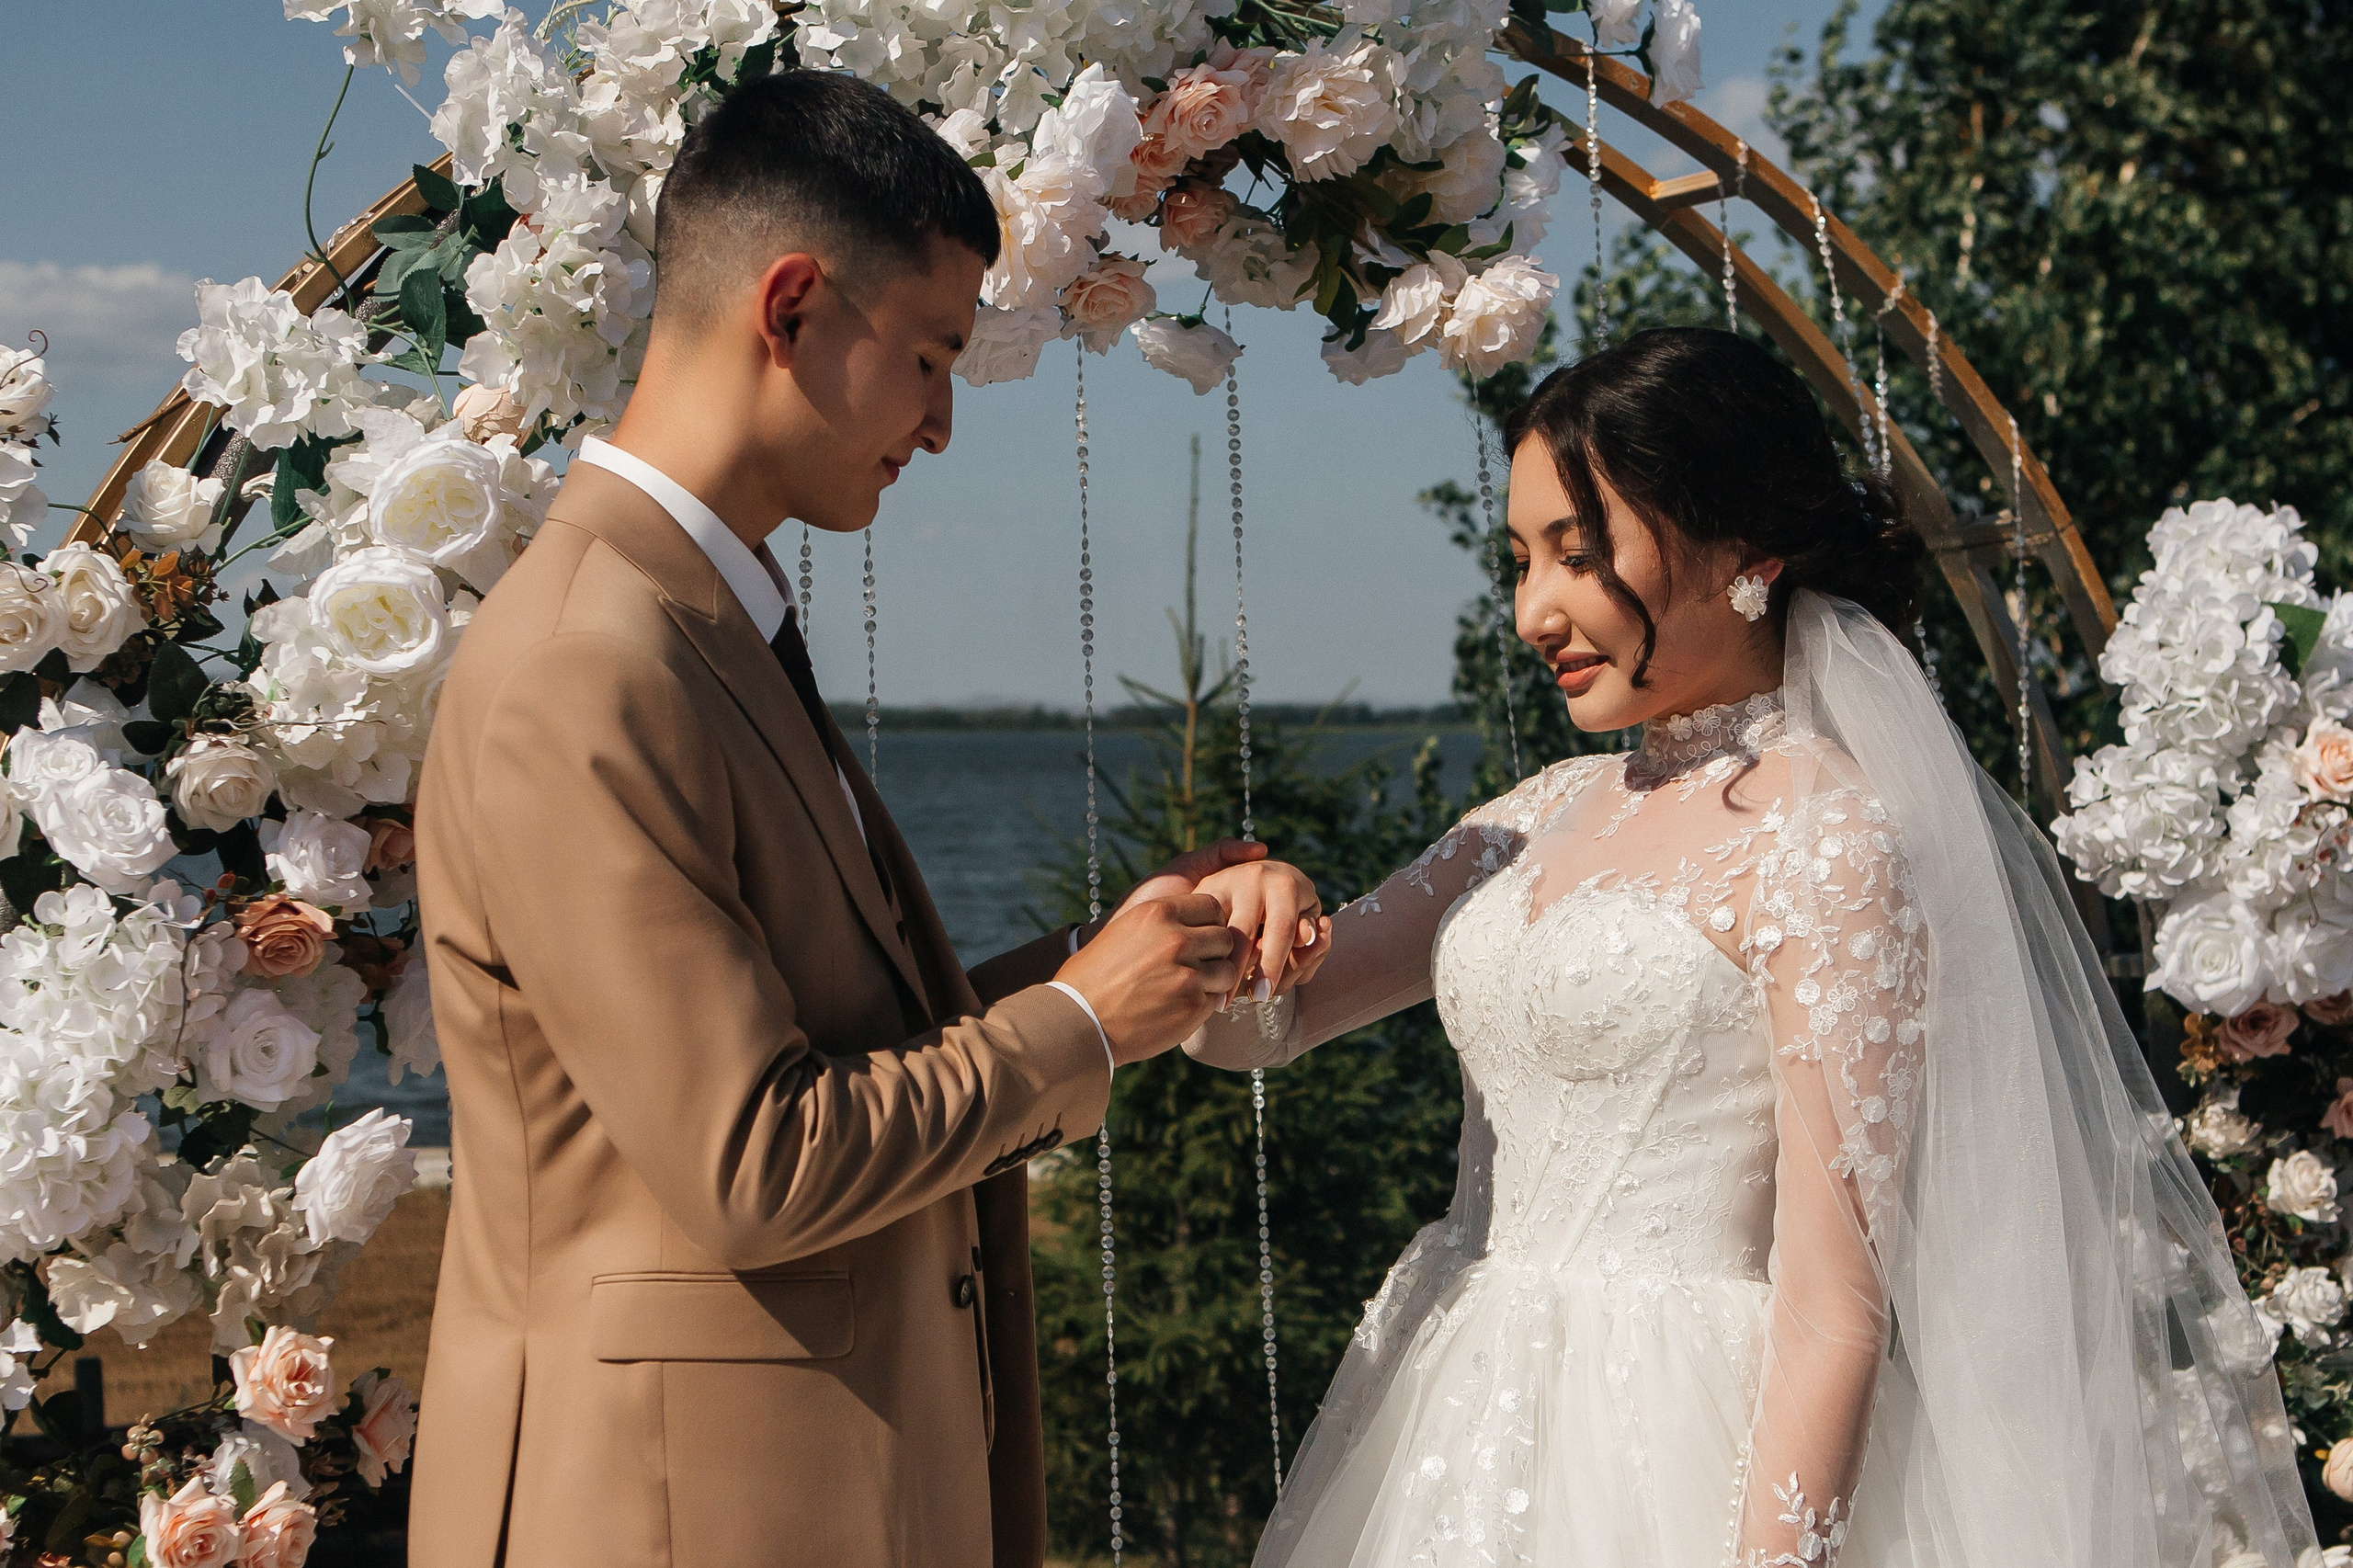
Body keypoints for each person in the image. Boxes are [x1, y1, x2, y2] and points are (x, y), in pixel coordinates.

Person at [1184, 328, 2315, 1566]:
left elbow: (1838, 1308)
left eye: (1580, 550)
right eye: (1520, 559)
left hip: (1681, 1445)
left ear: (1747, 554)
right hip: (1457, 1405)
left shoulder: (1827, 835)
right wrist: (1255, 904)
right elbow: (1262, 1027)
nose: (1533, 610)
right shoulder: (1533, 813)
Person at [409, 70, 1327, 1568]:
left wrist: (1133, 953)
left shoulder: (699, 625)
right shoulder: (590, 661)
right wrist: (1081, 1028)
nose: (944, 424)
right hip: (664, 1514)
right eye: (928, 356)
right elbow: (756, 1160)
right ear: (791, 310)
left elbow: (856, 1040)